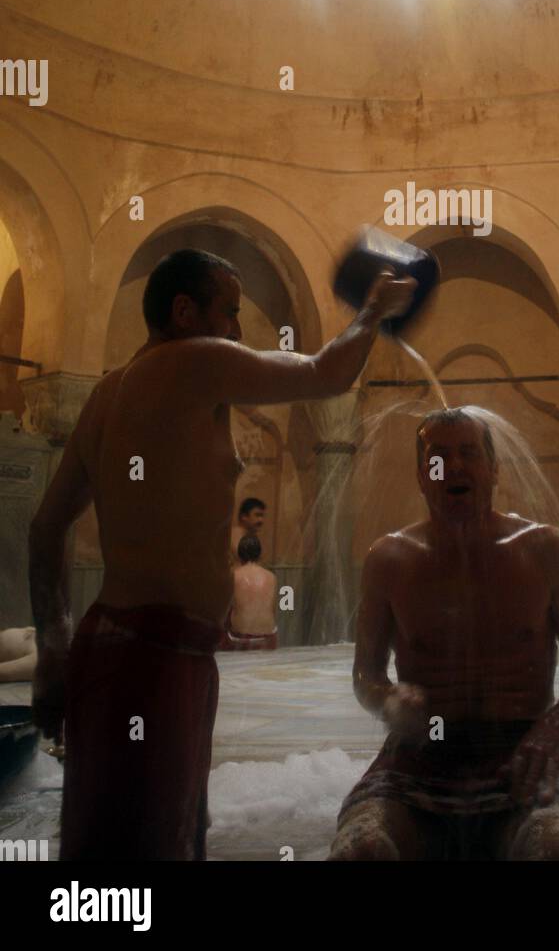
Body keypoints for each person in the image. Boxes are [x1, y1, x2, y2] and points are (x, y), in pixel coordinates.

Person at [28, 247, 415, 860]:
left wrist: (53, 649)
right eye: (229, 312)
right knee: (159, 843)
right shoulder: (195, 360)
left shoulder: (106, 395)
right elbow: (325, 373)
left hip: (107, 646)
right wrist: (372, 311)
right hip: (158, 658)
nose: (237, 330)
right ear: (184, 312)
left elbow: (45, 529)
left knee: (106, 844)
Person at [329, 406, 559, 862]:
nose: (454, 466)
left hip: (522, 758)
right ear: (422, 475)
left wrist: (552, 732)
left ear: (494, 468)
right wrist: (388, 700)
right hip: (417, 760)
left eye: (469, 453)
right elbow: (366, 674)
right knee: (360, 853)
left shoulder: (549, 550)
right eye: (438, 456)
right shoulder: (388, 560)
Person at [220, 533, 279, 651]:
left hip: (239, 640)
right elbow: (274, 610)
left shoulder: (233, 576)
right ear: (260, 554)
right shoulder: (272, 577)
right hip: (268, 639)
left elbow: (223, 609)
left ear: (239, 555)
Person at [230, 497, 266, 561]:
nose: (261, 520)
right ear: (244, 516)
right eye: (257, 515)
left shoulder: (251, 537)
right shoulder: (235, 536)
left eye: (262, 516)